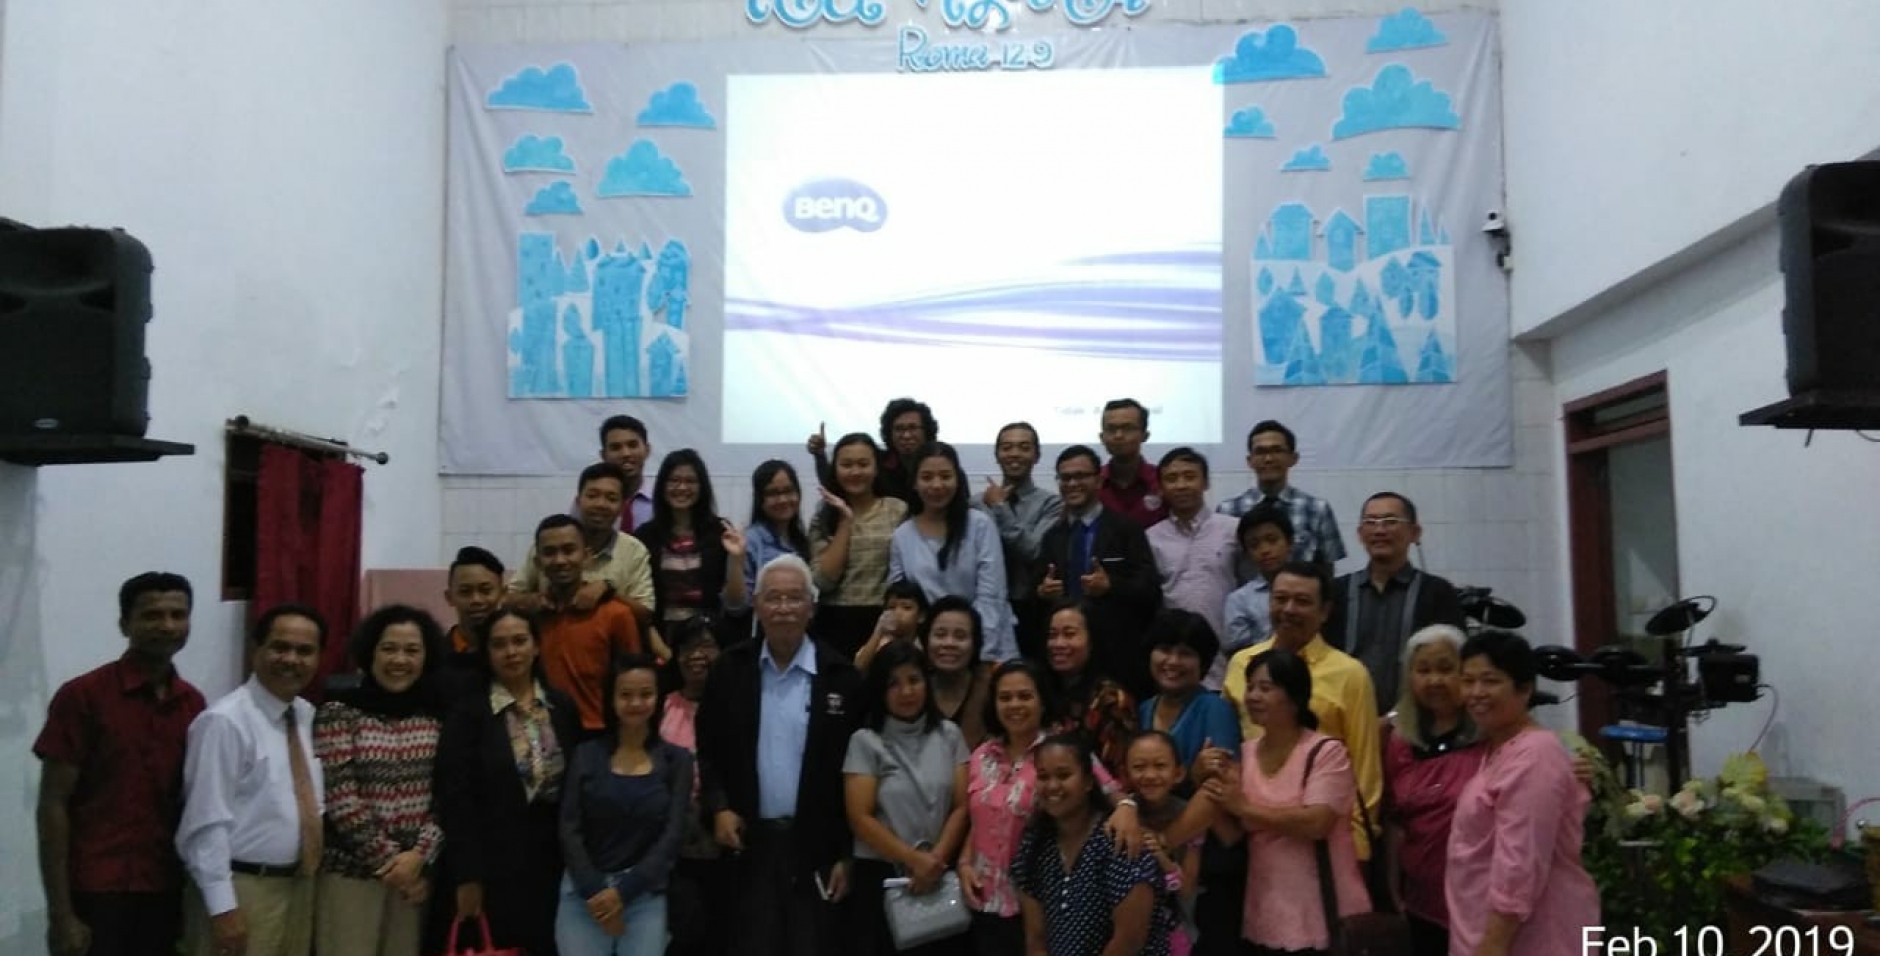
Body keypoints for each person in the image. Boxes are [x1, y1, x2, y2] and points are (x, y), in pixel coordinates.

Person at [696, 555, 863, 956]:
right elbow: (708, 747)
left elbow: (857, 775)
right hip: (749, 844)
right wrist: (719, 807)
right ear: (756, 605)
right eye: (773, 598)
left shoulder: (842, 677)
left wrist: (847, 855)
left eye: (794, 598)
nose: (784, 608)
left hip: (817, 847)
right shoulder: (730, 670)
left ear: (812, 607)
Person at [35, 572, 206, 956]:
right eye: (152, 615)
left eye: (178, 615)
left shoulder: (193, 704)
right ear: (124, 624)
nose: (167, 625)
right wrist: (61, 914)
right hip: (94, 888)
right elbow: (52, 804)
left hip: (164, 886)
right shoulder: (83, 696)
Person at [959, 660, 1138, 956]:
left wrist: (1127, 809)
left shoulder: (1062, 749)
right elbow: (980, 819)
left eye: (1025, 696)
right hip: (984, 902)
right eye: (1005, 697)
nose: (1014, 705)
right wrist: (965, 863)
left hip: (1040, 902)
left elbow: (1114, 794)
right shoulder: (981, 755)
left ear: (1042, 701)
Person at [177, 604, 327, 956]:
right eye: (280, 647)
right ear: (255, 649)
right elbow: (205, 822)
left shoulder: (305, 716)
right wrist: (222, 908)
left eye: (304, 651)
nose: (291, 659)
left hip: (298, 886)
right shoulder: (224, 722)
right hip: (242, 890)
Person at [1203, 648, 1371, 956]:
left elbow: (1317, 823)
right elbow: (1232, 835)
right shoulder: (1245, 753)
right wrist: (1207, 784)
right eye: (1250, 687)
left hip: (1323, 914)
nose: (1253, 696)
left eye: (1265, 688)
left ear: (1295, 697)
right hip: (1263, 913)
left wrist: (1244, 808)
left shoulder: (1326, 752)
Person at [436, 607, 581, 956]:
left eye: (519, 641)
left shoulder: (561, 707)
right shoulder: (469, 713)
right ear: (487, 652)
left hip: (554, 860)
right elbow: (455, 798)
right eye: (499, 644)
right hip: (493, 864)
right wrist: (468, 875)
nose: (511, 652)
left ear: (536, 646)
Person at [1445, 631, 1599, 956]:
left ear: (1525, 689)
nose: (1476, 692)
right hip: (1484, 931)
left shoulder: (1535, 755)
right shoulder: (1498, 748)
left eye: (1490, 681)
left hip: (1530, 936)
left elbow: (1521, 859)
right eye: (1468, 681)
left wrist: (1494, 944)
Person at [1219, 561, 1382, 859]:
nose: (1289, 609)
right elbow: (1230, 745)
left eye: (1302, 601)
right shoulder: (1242, 664)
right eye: (1280, 599)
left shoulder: (1350, 674)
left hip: (1324, 838)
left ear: (1325, 611)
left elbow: (1365, 768)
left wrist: (1359, 844)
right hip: (1252, 831)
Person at [312, 605, 448, 956]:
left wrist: (419, 857)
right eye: (389, 648)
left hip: (415, 878)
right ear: (370, 652)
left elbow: (446, 795)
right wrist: (392, 863)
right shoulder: (338, 712)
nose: (399, 660)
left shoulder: (438, 715)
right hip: (351, 876)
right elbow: (341, 798)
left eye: (412, 650)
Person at [555, 655, 692, 956]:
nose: (636, 703)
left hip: (644, 895)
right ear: (611, 699)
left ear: (658, 697)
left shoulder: (677, 760)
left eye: (646, 694)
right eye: (626, 695)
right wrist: (596, 892)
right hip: (584, 893)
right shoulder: (586, 754)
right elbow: (568, 827)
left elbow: (672, 835)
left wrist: (623, 893)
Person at [843, 641, 973, 956]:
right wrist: (914, 860)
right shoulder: (865, 741)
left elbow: (961, 806)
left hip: (940, 872)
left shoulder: (949, 734)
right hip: (883, 877)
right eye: (893, 684)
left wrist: (935, 861)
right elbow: (860, 818)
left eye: (914, 680)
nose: (906, 691)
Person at [1014, 733, 1172, 956]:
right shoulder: (1035, 843)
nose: (1052, 785)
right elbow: (1035, 939)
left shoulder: (1120, 840)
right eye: (1043, 776)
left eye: (1063, 775)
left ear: (1088, 781)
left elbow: (1129, 941)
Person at [1383, 625, 1484, 956]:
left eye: (1445, 669)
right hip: (1421, 899)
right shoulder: (1399, 741)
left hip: (1483, 900)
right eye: (1423, 670)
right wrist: (1393, 887)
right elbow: (1395, 821)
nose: (1434, 681)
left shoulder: (1491, 735)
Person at [1035, 444, 1162, 700]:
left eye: (1080, 476)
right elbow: (1035, 590)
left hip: (1118, 657)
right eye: (1065, 478)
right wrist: (1042, 591)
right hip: (1066, 664)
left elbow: (1151, 591)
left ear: (1099, 480)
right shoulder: (1053, 536)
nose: (1072, 484)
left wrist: (1111, 586)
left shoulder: (1126, 529)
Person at [1324, 492, 1466, 713]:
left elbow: (1453, 665)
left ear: (1415, 532)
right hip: (1343, 717)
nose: (1379, 530)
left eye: (1390, 521)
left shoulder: (1437, 592)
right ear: (1360, 534)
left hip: (1415, 720)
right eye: (1371, 522)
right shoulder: (1336, 592)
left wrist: (1395, 719)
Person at [889, 441, 1017, 665]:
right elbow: (900, 600)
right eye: (927, 477)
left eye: (945, 476)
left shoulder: (980, 525)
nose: (937, 485)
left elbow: (992, 596)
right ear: (915, 483)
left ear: (958, 480)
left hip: (986, 648)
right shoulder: (903, 535)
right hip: (930, 651)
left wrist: (978, 653)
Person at [516, 464, 661, 653]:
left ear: (622, 507)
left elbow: (646, 615)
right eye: (592, 496)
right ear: (578, 501)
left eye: (611, 498)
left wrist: (607, 590)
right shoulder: (549, 541)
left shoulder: (634, 550)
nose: (600, 504)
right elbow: (507, 598)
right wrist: (532, 601)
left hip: (611, 651)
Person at [530, 514, 644, 736]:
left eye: (569, 550)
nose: (560, 560)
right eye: (549, 552)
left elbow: (633, 683)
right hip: (543, 733)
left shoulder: (616, 615)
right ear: (537, 562)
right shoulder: (531, 617)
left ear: (587, 556)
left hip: (600, 734)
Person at [656, 619, 726, 956]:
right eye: (687, 648)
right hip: (673, 844)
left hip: (725, 839)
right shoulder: (662, 706)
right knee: (685, 933)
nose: (696, 655)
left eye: (707, 646)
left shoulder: (737, 705)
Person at [809, 432, 911, 657]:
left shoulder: (897, 510)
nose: (855, 472)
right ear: (835, 469)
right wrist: (845, 521)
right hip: (834, 623)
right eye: (846, 465)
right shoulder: (823, 517)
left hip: (884, 621)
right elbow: (824, 581)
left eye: (863, 464)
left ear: (876, 468)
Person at [1146, 448, 1240, 689]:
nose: (1181, 485)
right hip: (1174, 663)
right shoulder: (1151, 537)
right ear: (1161, 488)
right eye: (1172, 479)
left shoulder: (1232, 530)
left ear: (1205, 482)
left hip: (1227, 659)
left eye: (1190, 477)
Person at [1215, 420, 1346, 576]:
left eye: (1277, 450)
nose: (1268, 458)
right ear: (1249, 461)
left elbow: (1327, 571)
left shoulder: (1317, 510)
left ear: (1293, 458)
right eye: (1260, 452)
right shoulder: (1227, 511)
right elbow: (1222, 569)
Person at [634, 449, 748, 628]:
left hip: (709, 634)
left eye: (690, 481)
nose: (682, 488)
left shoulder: (721, 532)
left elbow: (735, 605)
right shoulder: (645, 536)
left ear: (702, 487)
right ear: (662, 485)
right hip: (660, 635)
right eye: (674, 480)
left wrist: (736, 559)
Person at [978, 421, 1062, 659]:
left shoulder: (1052, 504)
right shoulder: (976, 504)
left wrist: (999, 507)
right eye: (1007, 447)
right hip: (986, 607)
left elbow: (1033, 550)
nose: (1014, 453)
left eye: (1024, 447)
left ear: (1037, 455)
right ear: (996, 455)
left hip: (1032, 609)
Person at [1125, 731, 1203, 956]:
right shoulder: (1124, 813)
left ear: (1178, 773)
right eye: (1139, 767)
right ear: (1126, 772)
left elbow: (1187, 888)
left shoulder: (1191, 815)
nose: (1150, 775)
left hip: (1174, 931)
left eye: (1160, 766)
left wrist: (1161, 856)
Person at [1137, 609, 1240, 773]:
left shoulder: (1215, 710)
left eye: (1185, 654)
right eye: (1165, 650)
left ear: (1203, 664)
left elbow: (1224, 778)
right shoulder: (1144, 709)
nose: (1173, 661)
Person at [1043, 600, 1138, 777]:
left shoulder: (1111, 698)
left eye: (1069, 634)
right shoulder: (1040, 689)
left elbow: (1118, 774)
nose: (1058, 643)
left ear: (1092, 640)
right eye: (1052, 635)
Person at [809, 399, 938, 508]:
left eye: (913, 428)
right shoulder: (878, 461)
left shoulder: (940, 461)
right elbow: (835, 484)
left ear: (926, 431)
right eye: (899, 429)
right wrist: (819, 455)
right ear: (889, 432)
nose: (906, 435)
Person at [743, 459, 813, 632]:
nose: (783, 499)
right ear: (760, 499)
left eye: (788, 491)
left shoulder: (802, 540)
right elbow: (740, 604)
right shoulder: (750, 541)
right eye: (773, 493)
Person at [1221, 504, 1295, 657]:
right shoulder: (1240, 600)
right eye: (1254, 545)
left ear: (1290, 542)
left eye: (1272, 540)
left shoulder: (1309, 589)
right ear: (1247, 553)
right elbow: (1238, 653)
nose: (1265, 550)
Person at [922, 595, 990, 749]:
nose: (949, 643)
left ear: (975, 644)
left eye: (960, 636)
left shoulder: (991, 690)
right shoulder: (913, 687)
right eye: (940, 635)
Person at [442, 547, 506, 697]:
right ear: (449, 597)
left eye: (485, 590)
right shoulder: (434, 658)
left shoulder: (515, 655)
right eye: (465, 592)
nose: (476, 600)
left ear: (503, 594)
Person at [1097, 397, 1168, 529]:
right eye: (1111, 429)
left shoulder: (1163, 481)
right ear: (1101, 437)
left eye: (1127, 428)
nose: (1118, 435)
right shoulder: (1093, 483)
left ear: (1145, 435)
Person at [854, 579, 930, 672]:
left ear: (921, 615)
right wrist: (878, 632)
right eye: (891, 607)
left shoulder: (925, 648)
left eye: (906, 607)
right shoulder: (879, 643)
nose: (897, 612)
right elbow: (858, 668)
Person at [598, 415, 655, 532]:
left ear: (647, 450)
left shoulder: (662, 500)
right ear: (603, 455)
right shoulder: (591, 502)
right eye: (616, 447)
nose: (626, 453)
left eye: (632, 445)